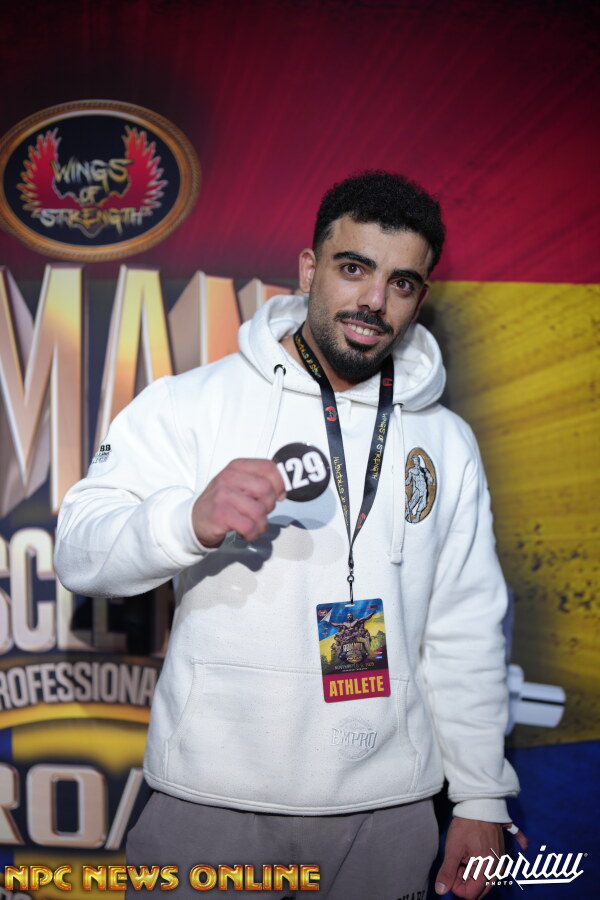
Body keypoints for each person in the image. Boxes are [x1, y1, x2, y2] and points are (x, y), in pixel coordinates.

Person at [55, 171, 521, 899]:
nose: (374, 300)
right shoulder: (193, 403)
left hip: (389, 808)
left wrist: (481, 796)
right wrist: (187, 520)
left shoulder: (446, 440)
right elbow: (79, 549)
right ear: (309, 269)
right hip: (209, 800)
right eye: (353, 268)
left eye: (400, 283)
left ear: (420, 297)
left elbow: (464, 628)